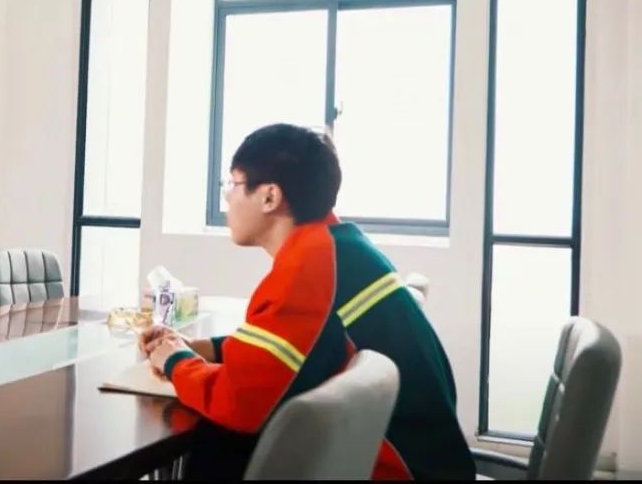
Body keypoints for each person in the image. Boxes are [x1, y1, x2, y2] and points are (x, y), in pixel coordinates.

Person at [139, 123, 475, 480]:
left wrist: (174, 361)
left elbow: (240, 403)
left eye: (232, 184)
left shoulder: (307, 268)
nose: (226, 200)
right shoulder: (342, 245)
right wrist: (204, 348)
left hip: (393, 470)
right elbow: (307, 346)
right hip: (429, 461)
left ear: (270, 196)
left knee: (220, 446)